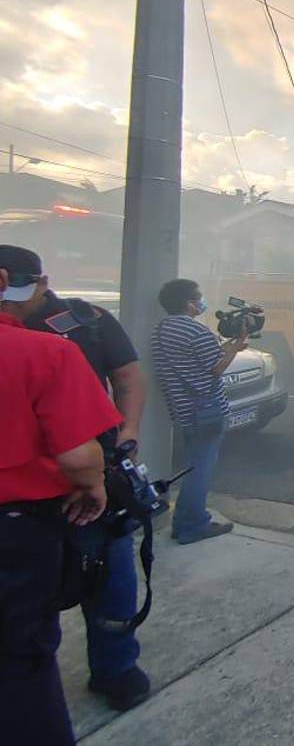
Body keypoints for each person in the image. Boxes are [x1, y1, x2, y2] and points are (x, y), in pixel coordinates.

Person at [0, 246, 151, 709]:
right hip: (64, 487)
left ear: (43, 283)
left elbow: (128, 377)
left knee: (110, 580)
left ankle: (116, 668)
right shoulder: (37, 345)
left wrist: (125, 438)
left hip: (90, 483)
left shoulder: (89, 322)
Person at [150, 279, 246, 543]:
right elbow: (216, 368)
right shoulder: (195, 331)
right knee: (201, 468)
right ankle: (192, 524)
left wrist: (229, 347)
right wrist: (236, 347)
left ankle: (185, 519)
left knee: (194, 465)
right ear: (188, 303)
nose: (201, 302)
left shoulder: (162, 329)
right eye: (198, 297)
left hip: (184, 410)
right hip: (207, 408)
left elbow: (201, 361)